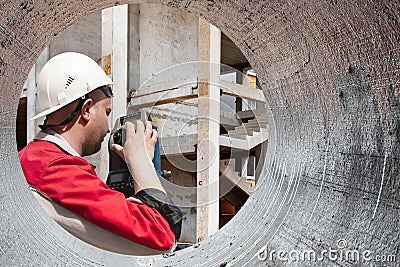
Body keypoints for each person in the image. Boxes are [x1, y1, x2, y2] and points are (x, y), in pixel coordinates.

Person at [18, 52, 182, 255]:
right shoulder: (56, 170)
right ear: (86, 110)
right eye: (106, 111)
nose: (107, 127)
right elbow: (161, 237)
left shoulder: (32, 158)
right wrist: (141, 164)